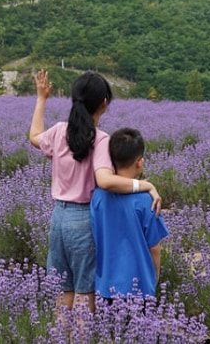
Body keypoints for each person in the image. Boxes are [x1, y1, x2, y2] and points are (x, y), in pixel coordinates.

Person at [29, 70, 161, 313]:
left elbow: (34, 137)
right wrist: (144, 185)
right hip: (82, 222)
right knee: (83, 295)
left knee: (64, 292)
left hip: (58, 218)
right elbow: (105, 180)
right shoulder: (100, 139)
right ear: (104, 103)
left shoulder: (59, 131)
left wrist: (41, 99)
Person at [91, 127, 169, 300]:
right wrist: (154, 278)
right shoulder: (146, 200)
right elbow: (154, 248)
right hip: (139, 288)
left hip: (104, 287)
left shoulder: (97, 197)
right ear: (140, 162)